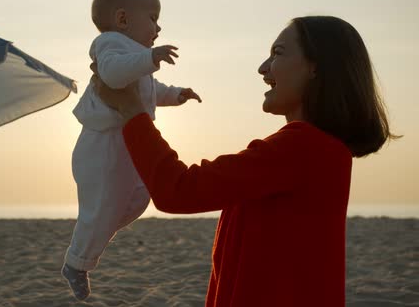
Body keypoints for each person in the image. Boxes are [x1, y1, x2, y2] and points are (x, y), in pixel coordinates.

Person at [94, 16, 398, 306]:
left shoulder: (302, 147)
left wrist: (132, 110)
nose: (263, 68)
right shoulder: (317, 150)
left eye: (277, 53)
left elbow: (177, 190)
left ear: (315, 68)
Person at [63, 0, 202, 300]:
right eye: (152, 17)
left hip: (123, 144)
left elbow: (146, 91)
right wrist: (150, 57)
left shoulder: (135, 56)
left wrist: (175, 94)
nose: (158, 25)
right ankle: (76, 263)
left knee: (139, 197)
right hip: (102, 146)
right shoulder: (109, 43)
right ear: (123, 19)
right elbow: (112, 75)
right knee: (101, 208)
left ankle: (92, 242)